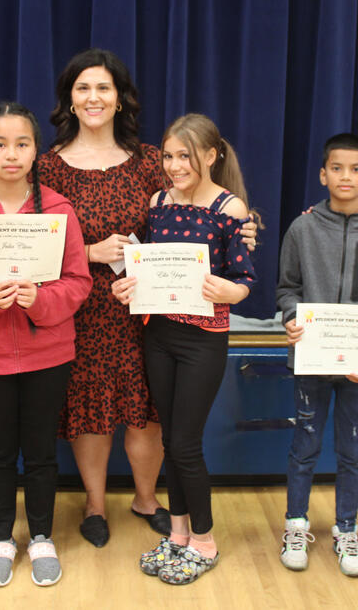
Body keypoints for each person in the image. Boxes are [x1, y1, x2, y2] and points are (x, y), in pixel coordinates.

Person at [0, 103, 93, 587]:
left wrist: (40, 300)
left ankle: (42, 537)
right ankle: (3, 538)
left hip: (49, 354)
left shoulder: (58, 210)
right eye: (0, 144)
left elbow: (78, 282)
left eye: (22, 144)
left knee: (42, 452)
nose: (11, 154)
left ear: (35, 151)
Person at [112, 113, 257, 585]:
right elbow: (149, 263)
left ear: (211, 156)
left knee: (187, 444)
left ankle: (205, 541)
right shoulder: (158, 202)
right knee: (171, 441)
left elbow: (244, 278)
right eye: (169, 156)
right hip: (159, 334)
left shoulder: (229, 208)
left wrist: (231, 291)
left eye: (185, 156)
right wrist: (128, 283)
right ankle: (178, 534)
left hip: (203, 339)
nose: (175, 166)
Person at [38, 49, 171, 547]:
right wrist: (90, 252)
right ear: (69, 100)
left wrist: (240, 224)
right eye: (83, 88)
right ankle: (94, 504)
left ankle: (146, 498)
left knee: (147, 409)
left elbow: (188, 220)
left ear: (120, 99)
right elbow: (28, 244)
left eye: (103, 88)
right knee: (90, 408)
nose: (93, 98)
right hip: (82, 311)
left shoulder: (151, 162)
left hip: (144, 308)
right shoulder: (47, 168)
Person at [274, 133, 358, 577]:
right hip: (311, 361)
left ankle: (346, 529)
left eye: (355, 169)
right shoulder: (303, 228)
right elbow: (287, 288)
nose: (345, 176)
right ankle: (296, 524)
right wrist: (292, 317)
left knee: (353, 449)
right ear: (322, 174)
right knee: (305, 444)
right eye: (336, 168)